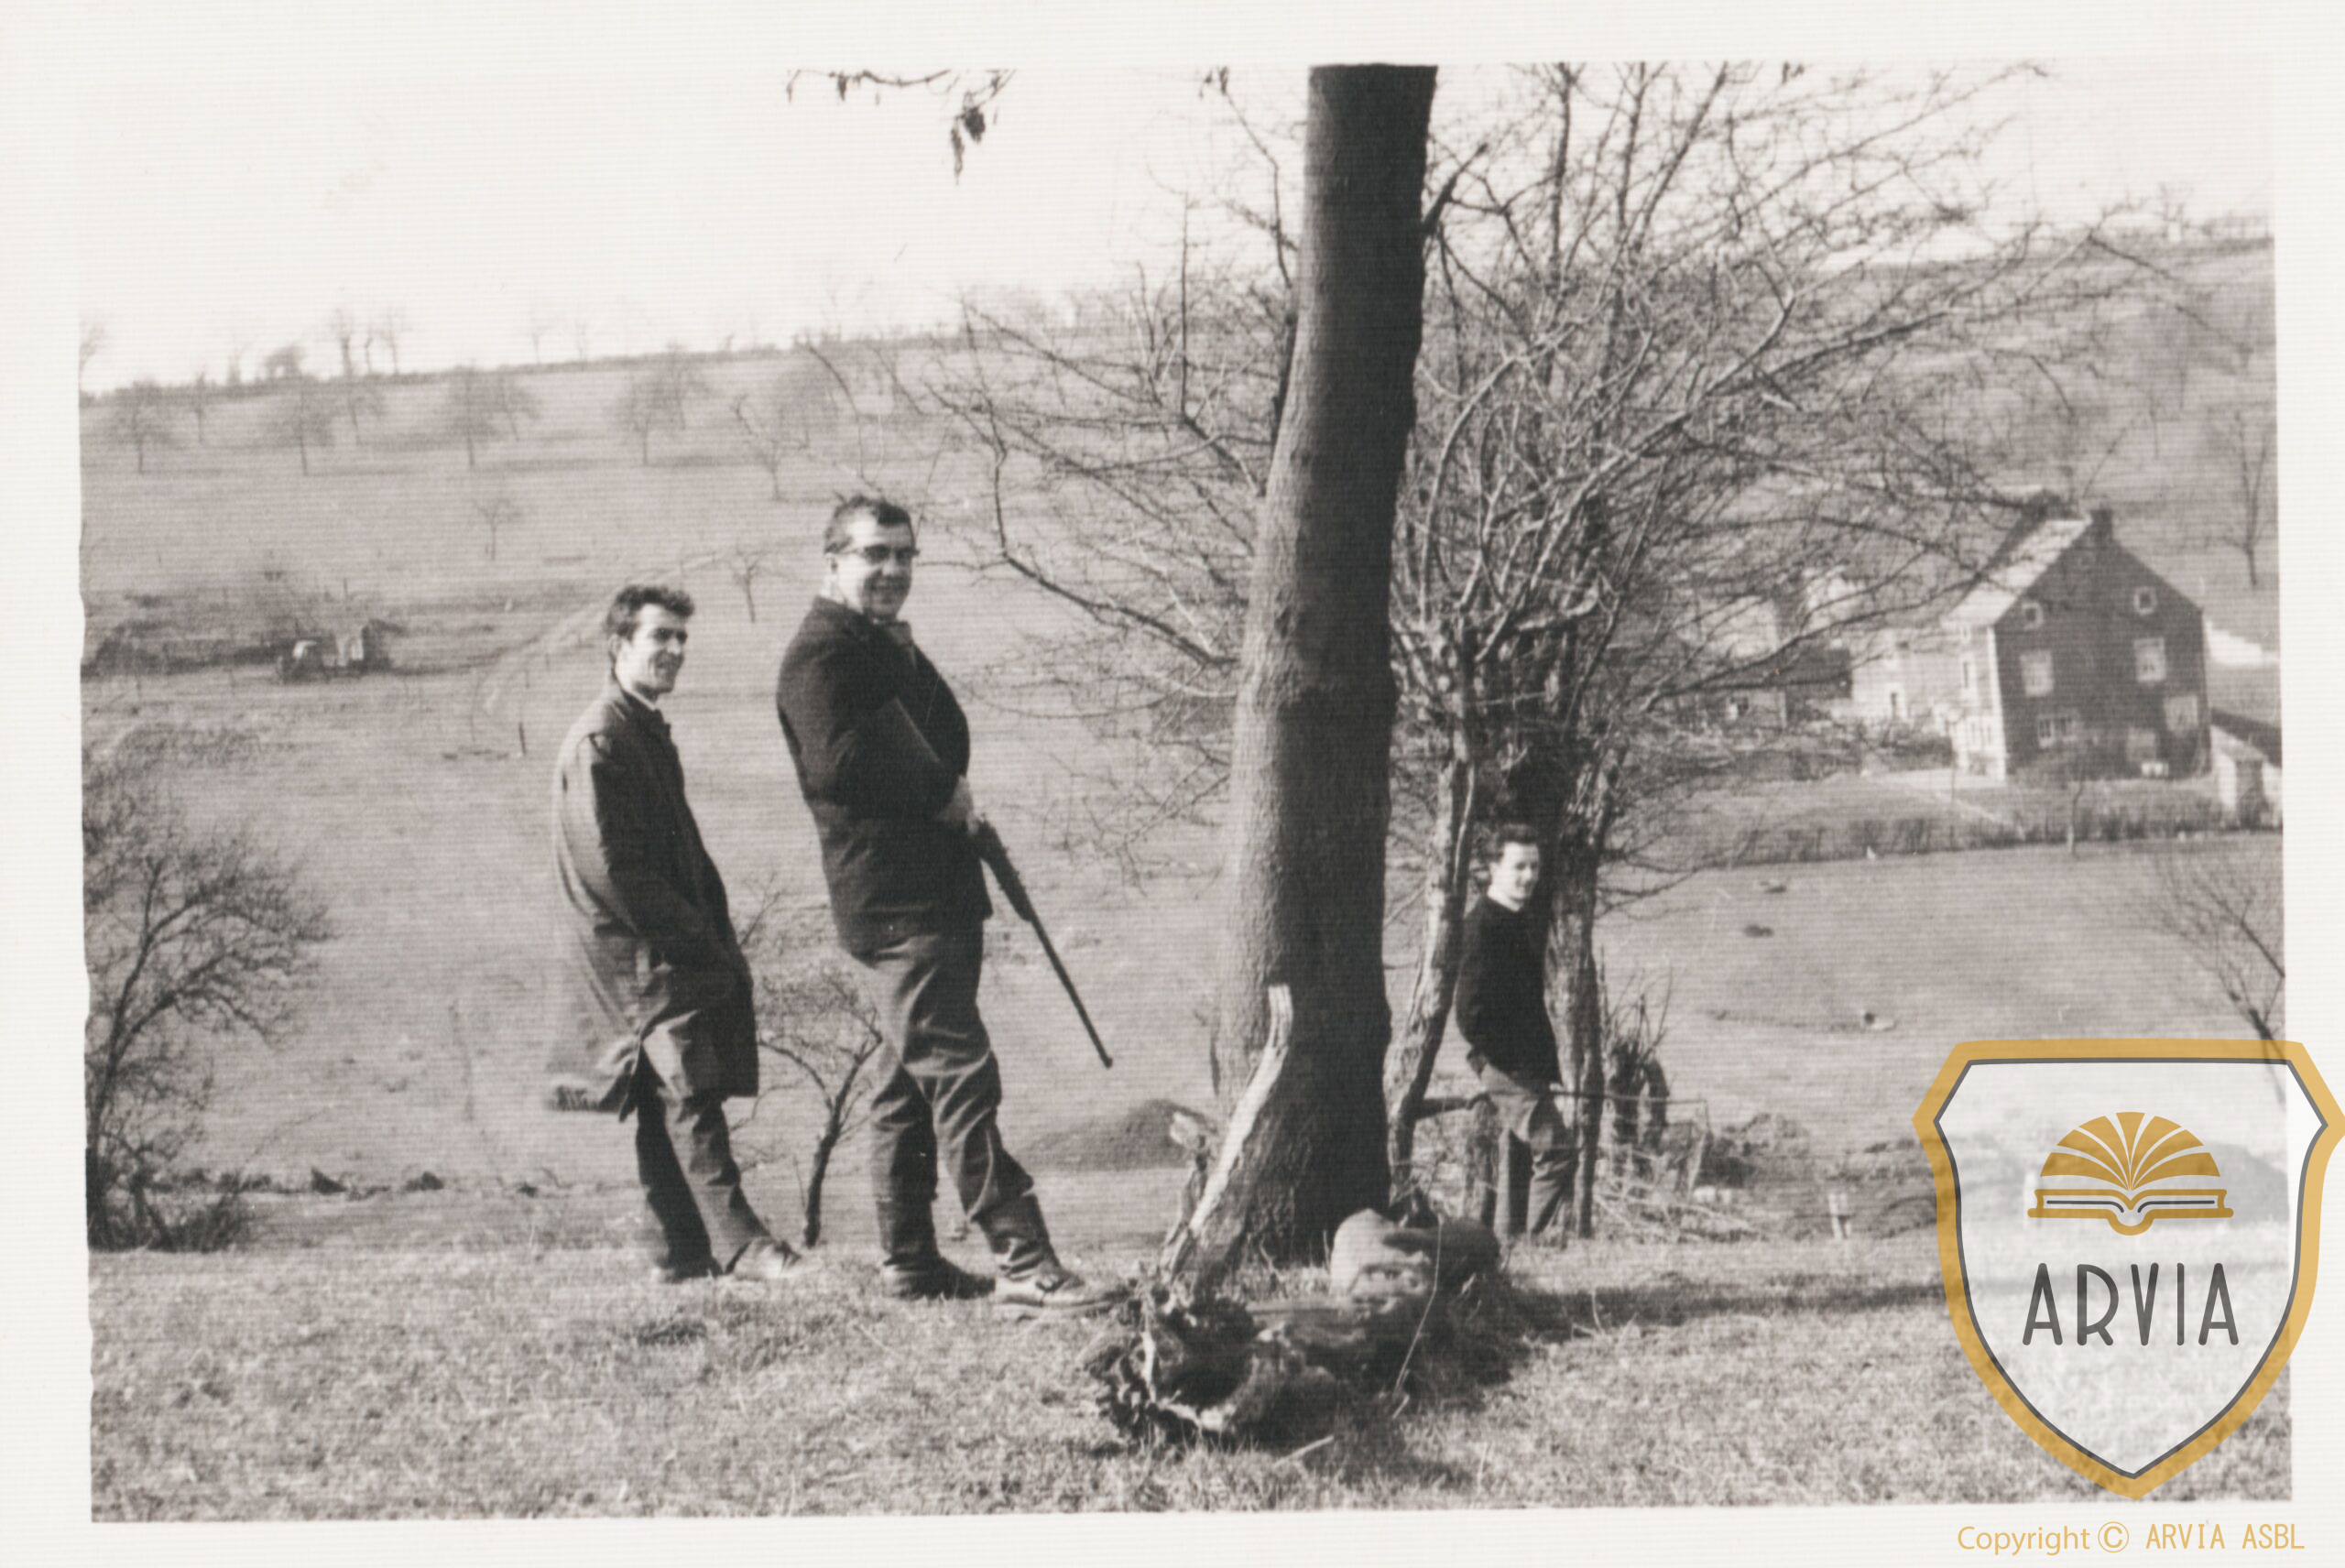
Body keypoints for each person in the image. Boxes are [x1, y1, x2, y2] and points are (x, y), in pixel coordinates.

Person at [776, 496, 1120, 1312]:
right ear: (832, 560)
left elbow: (935, 736)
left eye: (904, 555)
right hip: (897, 904)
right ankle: (1023, 1258)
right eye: (874, 554)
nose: (893, 570)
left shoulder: (875, 644)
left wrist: (942, 785)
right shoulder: (822, 654)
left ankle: (909, 1262)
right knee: (962, 1074)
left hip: (928, 895)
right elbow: (838, 765)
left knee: (905, 1083)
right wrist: (940, 794)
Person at [551, 584, 797, 1283]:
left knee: (666, 1097)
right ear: (617, 645)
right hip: (640, 958)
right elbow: (615, 870)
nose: (675, 650)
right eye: (659, 636)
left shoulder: (640, 730)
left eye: (681, 638)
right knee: (689, 1089)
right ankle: (744, 1246)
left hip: (658, 949)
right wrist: (694, 936)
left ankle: (679, 1252)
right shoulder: (603, 739)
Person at [1455, 822, 1572, 1241]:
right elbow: (1470, 1015)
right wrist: (1511, 1062)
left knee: (1518, 1158)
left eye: (1534, 867)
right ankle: (1533, 1243)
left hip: (1524, 1065)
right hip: (1506, 1066)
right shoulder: (1482, 927)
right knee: (1557, 1150)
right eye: (1519, 867)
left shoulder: (1516, 920)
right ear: (1493, 869)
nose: (1529, 876)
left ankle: (1509, 1244)